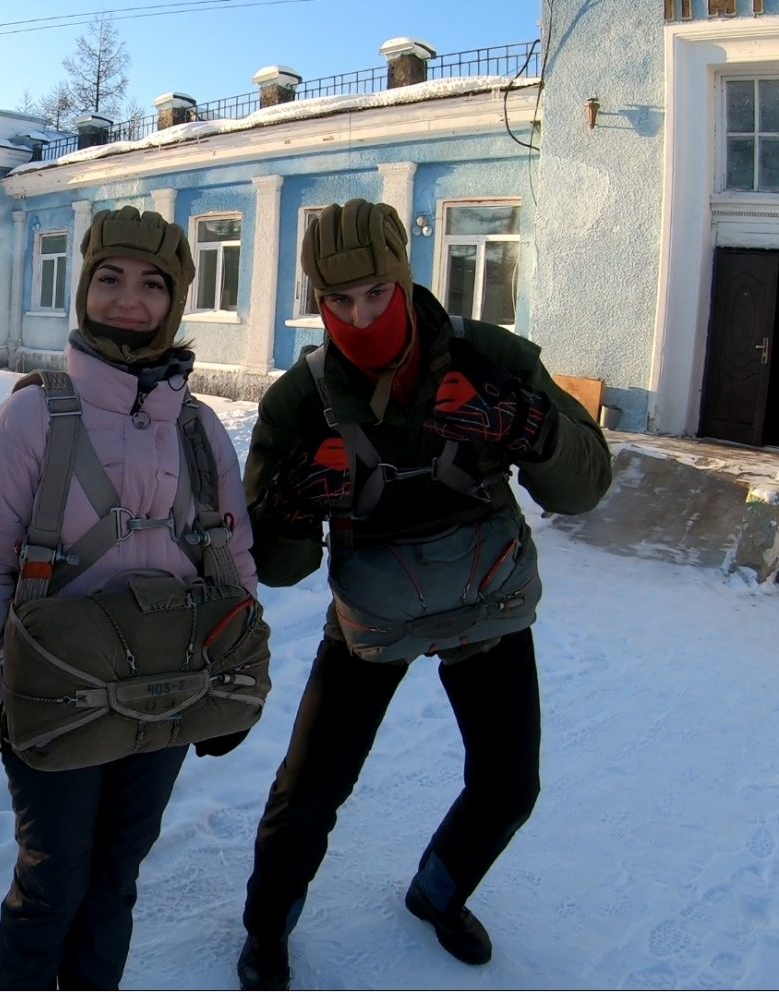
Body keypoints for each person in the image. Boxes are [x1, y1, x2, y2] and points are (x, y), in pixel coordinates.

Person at [235, 198, 612, 989]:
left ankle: (438, 892)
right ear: (316, 300)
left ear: (405, 279)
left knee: (509, 786)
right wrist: (296, 504)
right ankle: (267, 930)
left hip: (485, 599)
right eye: (338, 300)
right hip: (372, 617)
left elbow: (583, 488)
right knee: (307, 796)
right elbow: (274, 565)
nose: (360, 316)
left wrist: (525, 425)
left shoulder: (489, 357)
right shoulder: (299, 401)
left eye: (377, 293)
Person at [0, 205, 258, 990]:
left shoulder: (199, 428)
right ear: (83, 288)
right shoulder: (33, 415)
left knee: (117, 878)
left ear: (175, 302)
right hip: (57, 692)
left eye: (153, 284)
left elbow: (231, 558)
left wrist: (237, 684)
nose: (129, 299)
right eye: (110, 278)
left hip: (170, 691)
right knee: (53, 879)